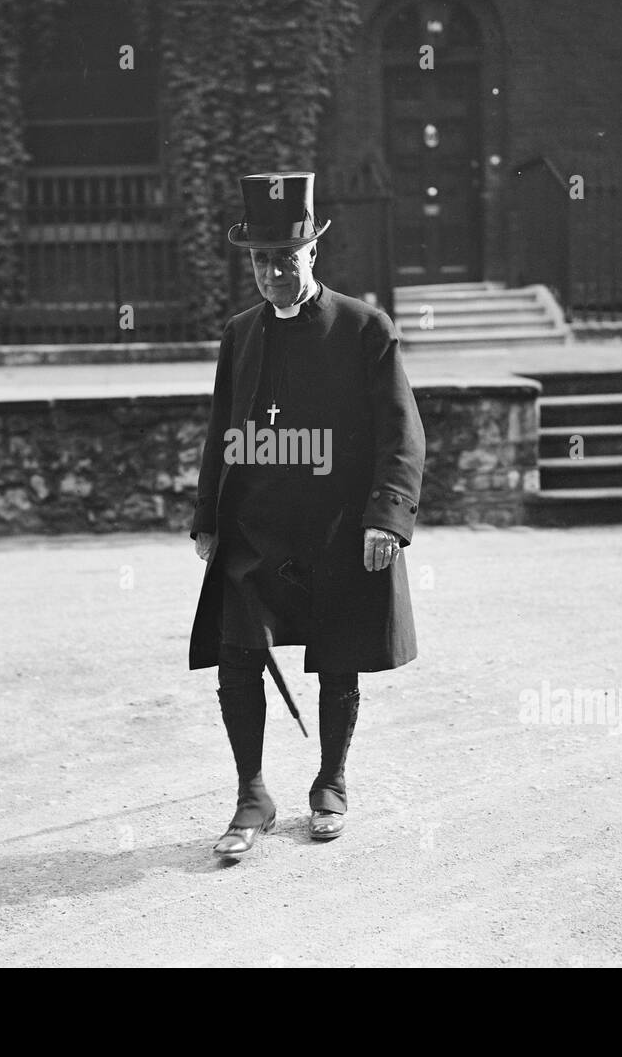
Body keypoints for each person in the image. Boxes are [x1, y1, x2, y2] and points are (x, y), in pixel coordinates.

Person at [189, 171, 426, 856]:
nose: (271, 273)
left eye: (284, 259)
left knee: (338, 653)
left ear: (313, 253)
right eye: (260, 261)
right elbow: (220, 429)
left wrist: (387, 516)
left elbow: (401, 431)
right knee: (238, 650)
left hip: (335, 526)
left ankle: (331, 780)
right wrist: (208, 515)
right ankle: (251, 795)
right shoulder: (241, 335)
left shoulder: (363, 328)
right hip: (257, 528)